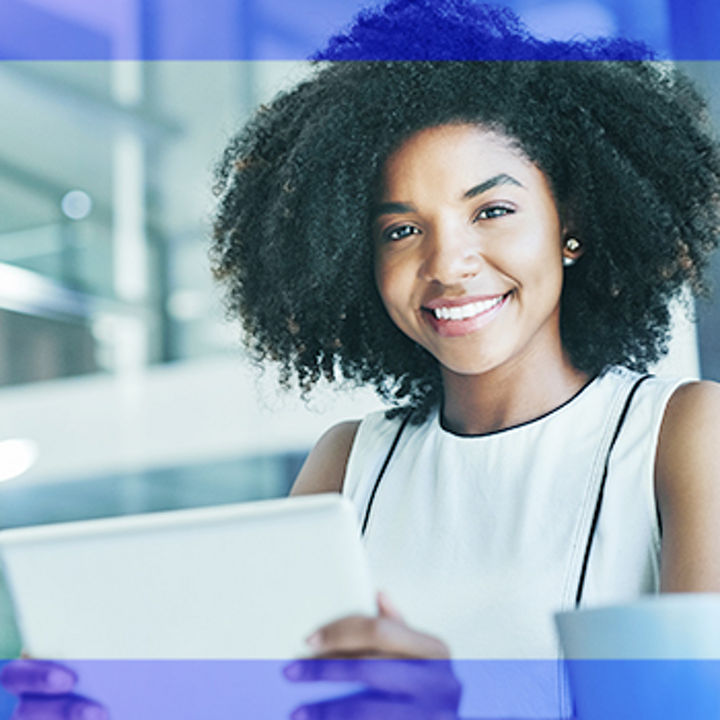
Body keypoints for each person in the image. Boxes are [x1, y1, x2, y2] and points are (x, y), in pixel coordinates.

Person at [3, 0, 720, 717]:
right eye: (402, 229)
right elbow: (269, 705)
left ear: (572, 226)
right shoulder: (349, 463)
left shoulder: (679, 434)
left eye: (492, 211)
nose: (448, 264)